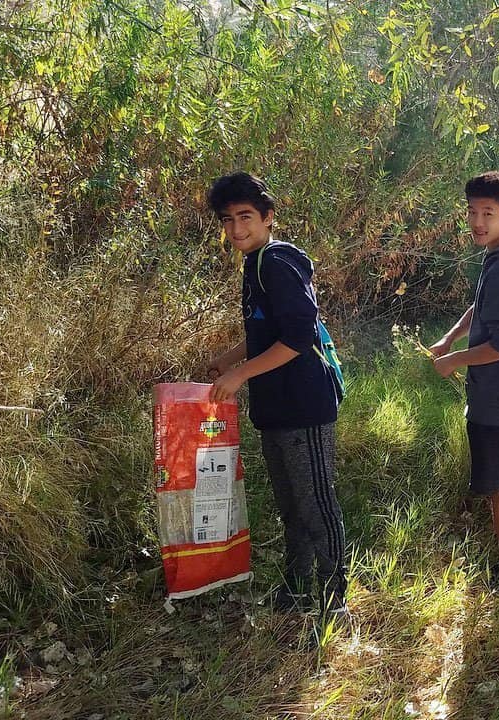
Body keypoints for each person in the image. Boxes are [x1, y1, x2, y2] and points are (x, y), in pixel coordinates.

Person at [203, 172, 349, 624]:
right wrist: (228, 359)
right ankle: (296, 588)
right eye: (227, 220)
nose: (236, 229)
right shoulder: (256, 264)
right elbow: (267, 330)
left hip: (304, 404)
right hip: (277, 407)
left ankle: (334, 598)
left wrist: (239, 376)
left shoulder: (278, 261)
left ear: (268, 217)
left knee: (315, 503)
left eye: (245, 217)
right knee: (290, 506)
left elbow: (300, 336)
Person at [428, 171, 499, 580]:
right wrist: (451, 336)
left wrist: (453, 361)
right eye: (472, 212)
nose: (477, 221)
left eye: (488, 213)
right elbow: (484, 307)